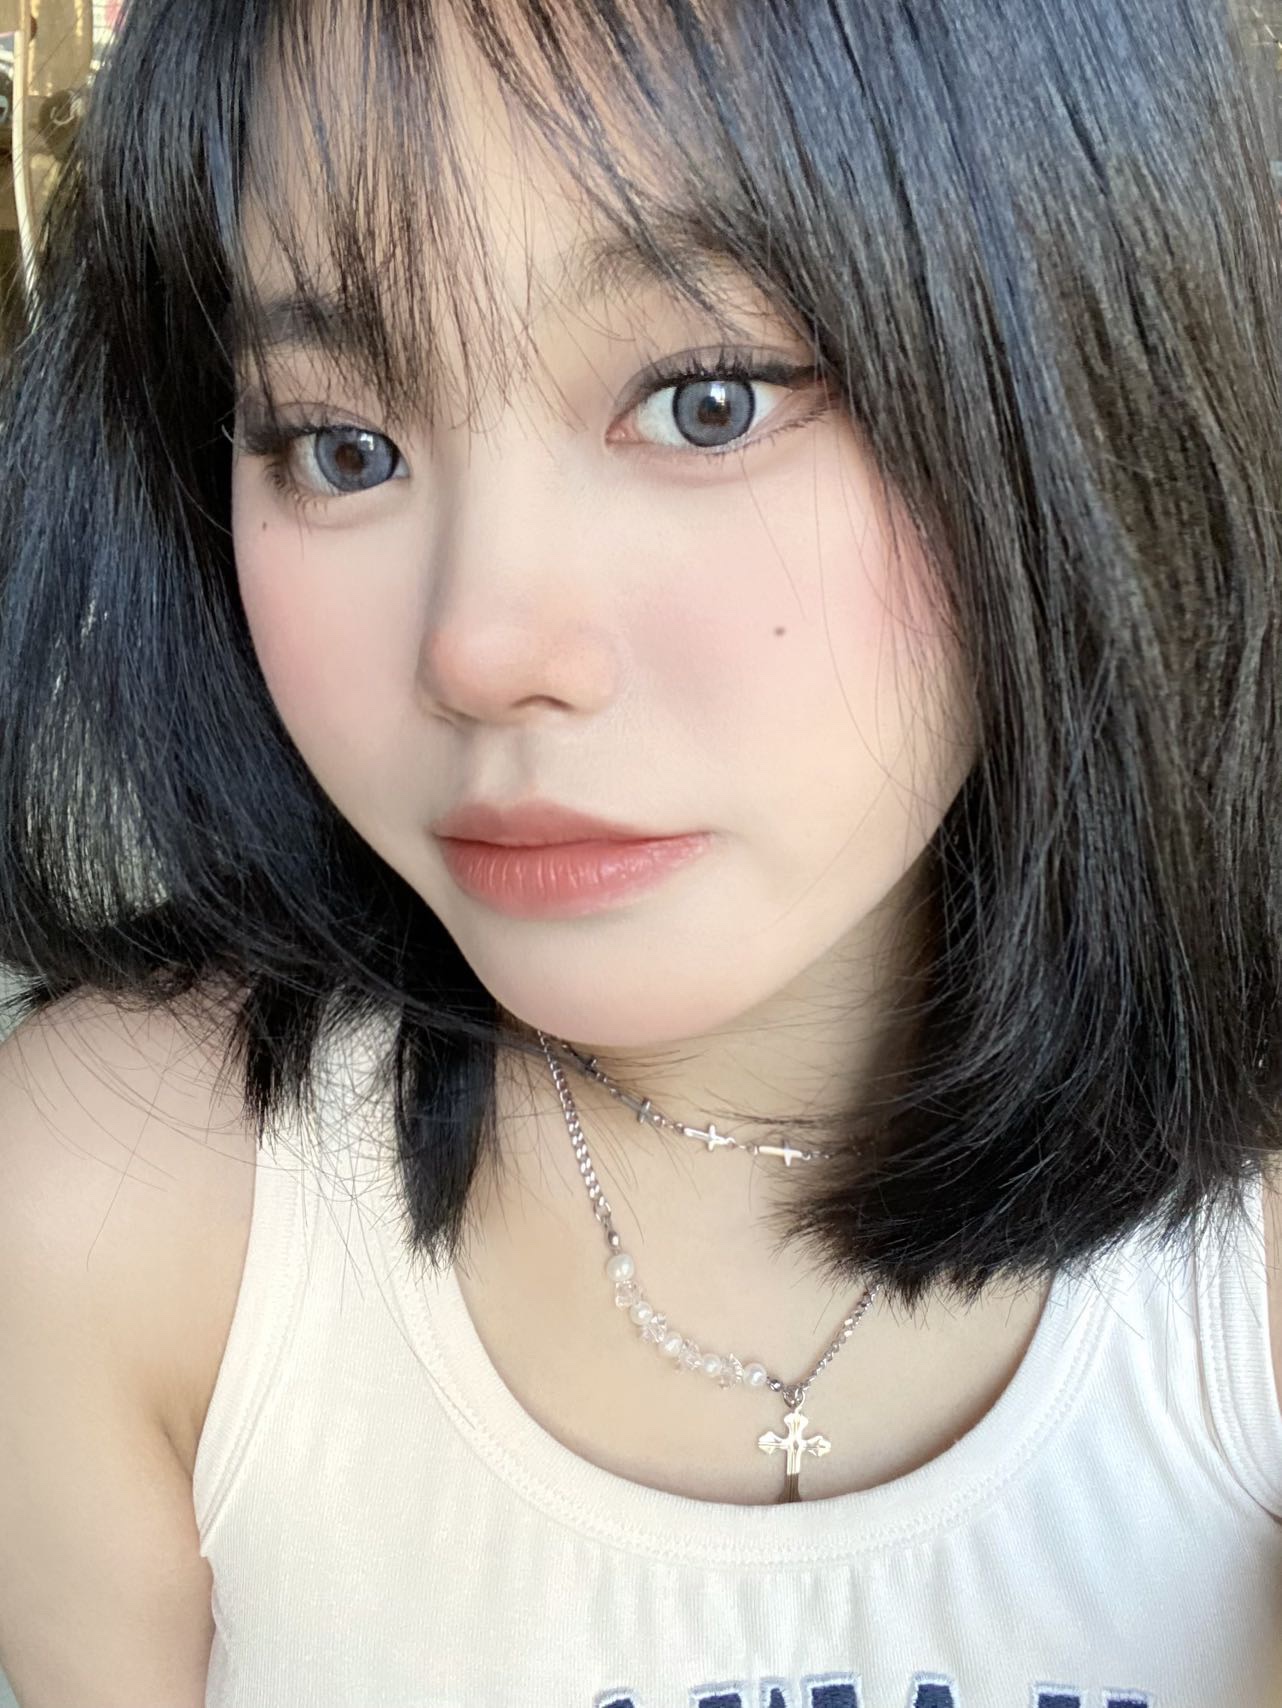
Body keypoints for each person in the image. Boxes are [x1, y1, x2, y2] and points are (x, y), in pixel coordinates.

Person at [1, 0, 1281, 1703]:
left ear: (1093, 376)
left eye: (704, 401)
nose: (480, 646)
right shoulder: (113, 1211)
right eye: (341, 446)